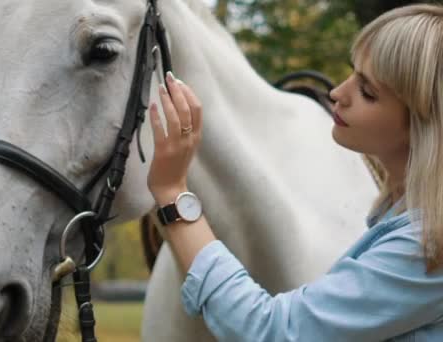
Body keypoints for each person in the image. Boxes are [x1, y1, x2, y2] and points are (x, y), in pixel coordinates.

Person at [146, 4, 443, 341]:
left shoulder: (425, 248)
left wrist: (173, 195)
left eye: (367, 92)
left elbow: (273, 331)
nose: (337, 94)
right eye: (352, 74)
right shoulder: (402, 221)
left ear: (425, 126)